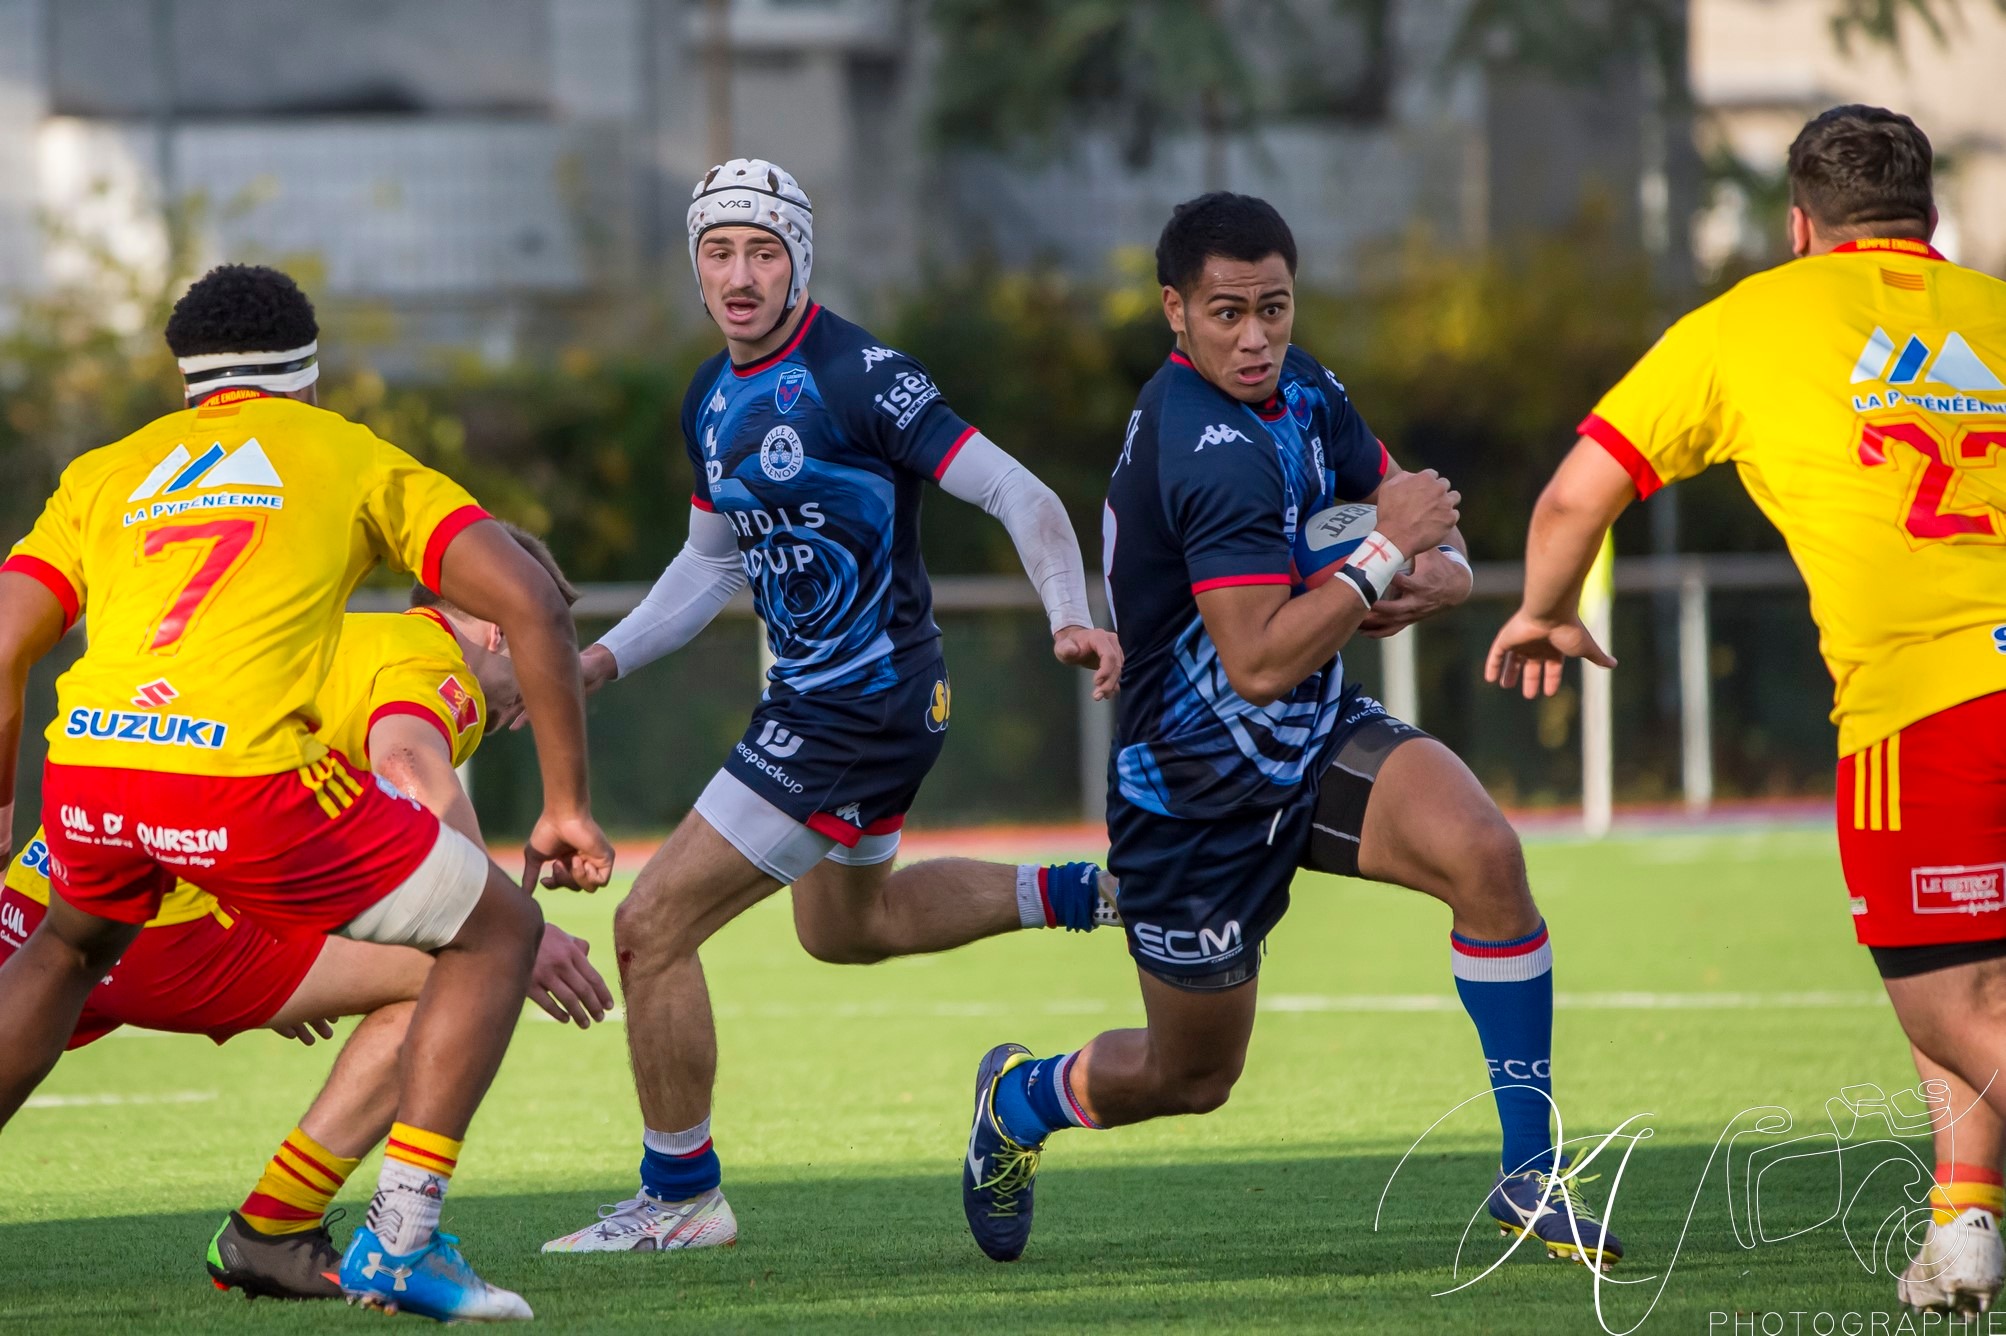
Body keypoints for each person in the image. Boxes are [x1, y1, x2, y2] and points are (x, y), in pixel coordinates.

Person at [959, 192, 1623, 1271]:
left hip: (1309, 740)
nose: (1255, 335)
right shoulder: (1203, 442)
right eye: (1226, 312)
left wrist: (1437, 575)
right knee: (1190, 1078)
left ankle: (1527, 1174)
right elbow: (1259, 660)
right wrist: (1374, 565)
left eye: (1273, 306)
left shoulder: (1303, 386)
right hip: (1194, 794)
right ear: (1174, 309)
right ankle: (1020, 1099)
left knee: (1485, 857)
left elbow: (1406, 507)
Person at [0, 264, 612, 1322]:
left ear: (188, 376)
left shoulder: (106, 470)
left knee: (65, 950)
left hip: (93, 767)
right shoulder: (349, 454)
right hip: (235, 785)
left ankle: (280, 1230)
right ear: (311, 373)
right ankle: (400, 1241)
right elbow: (525, 602)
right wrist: (563, 806)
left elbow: (7, 639)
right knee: (497, 934)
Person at [541, 159, 1123, 1254]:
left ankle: (680, 1193)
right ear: (695, 268)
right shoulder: (707, 399)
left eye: (763, 250)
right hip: (832, 704)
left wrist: (1066, 613)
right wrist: (595, 663)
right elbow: (708, 569)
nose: (740, 274)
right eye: (718, 252)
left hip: (857, 707)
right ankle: (1098, 891)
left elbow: (1019, 491)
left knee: (647, 925)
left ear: (799, 259)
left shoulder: (862, 374)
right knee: (848, 930)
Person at [1489, 104, 2006, 1313]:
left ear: (1794, 226)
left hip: (1925, 707)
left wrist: (1546, 611)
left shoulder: (1738, 328)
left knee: (1949, 1002)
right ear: (1926, 218)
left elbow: (1573, 499)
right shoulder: (1991, 314)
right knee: (1981, 986)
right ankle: (1965, 1226)